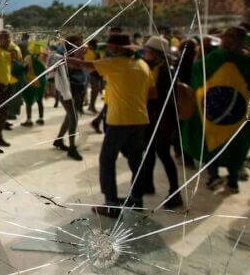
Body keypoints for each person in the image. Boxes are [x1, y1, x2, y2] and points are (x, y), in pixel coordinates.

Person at [69, 33, 150, 216]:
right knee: (136, 160)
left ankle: (111, 204)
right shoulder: (142, 65)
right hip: (140, 119)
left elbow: (83, 65)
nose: (107, 50)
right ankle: (137, 199)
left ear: (116, 48)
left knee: (107, 160)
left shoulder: (115, 64)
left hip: (120, 120)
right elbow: (150, 92)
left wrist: (64, 58)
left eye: (110, 47)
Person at [182, 26, 250, 193]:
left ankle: (213, 177)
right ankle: (233, 181)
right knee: (235, 144)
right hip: (238, 113)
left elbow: (198, 73)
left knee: (212, 142)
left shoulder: (215, 58)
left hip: (213, 111)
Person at [131, 36, 183, 208]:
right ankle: (148, 184)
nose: (144, 53)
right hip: (153, 118)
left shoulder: (165, 72)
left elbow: (161, 98)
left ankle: (175, 193)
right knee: (150, 152)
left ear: (156, 54)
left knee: (163, 154)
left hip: (161, 120)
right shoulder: (156, 68)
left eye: (147, 51)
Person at [52, 40, 84, 161]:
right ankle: (72, 148)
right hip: (68, 94)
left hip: (73, 94)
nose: (83, 48)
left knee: (69, 117)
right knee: (73, 118)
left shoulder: (74, 59)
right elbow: (63, 81)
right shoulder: (68, 61)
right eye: (80, 45)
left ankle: (59, 140)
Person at [20, 41, 47, 127]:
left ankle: (29, 120)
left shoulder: (28, 58)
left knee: (28, 102)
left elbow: (25, 69)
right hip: (41, 82)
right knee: (40, 101)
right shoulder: (43, 58)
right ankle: (41, 118)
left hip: (30, 82)